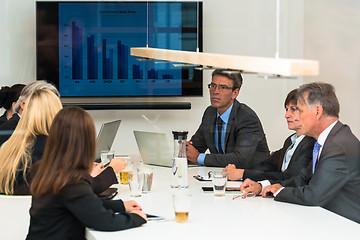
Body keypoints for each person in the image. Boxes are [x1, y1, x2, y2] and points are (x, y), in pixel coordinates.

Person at [240, 82, 360, 223]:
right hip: (327, 219)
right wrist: (263, 187)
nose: (296, 117)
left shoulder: (338, 146)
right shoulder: (329, 140)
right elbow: (301, 180)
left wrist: (278, 191)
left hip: (347, 226)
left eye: (300, 110)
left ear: (317, 111)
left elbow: (312, 195)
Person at [26, 107, 146, 239]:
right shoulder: (71, 181)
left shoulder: (44, 169)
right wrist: (136, 218)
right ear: (86, 142)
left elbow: (86, 204)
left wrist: (121, 206)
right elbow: (103, 221)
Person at [0, 88, 123, 195]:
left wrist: (83, 171)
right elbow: (82, 190)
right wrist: (112, 169)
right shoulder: (51, 146)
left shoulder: (12, 144)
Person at [223, 89, 316, 181]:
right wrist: (238, 171)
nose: (287, 115)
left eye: (293, 109)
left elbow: (289, 177)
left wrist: (243, 174)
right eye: (287, 109)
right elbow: (268, 165)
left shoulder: (312, 143)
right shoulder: (290, 141)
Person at [186, 69, 270, 168]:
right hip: (223, 175)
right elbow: (196, 147)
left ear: (235, 93)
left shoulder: (247, 117)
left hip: (253, 177)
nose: (215, 91)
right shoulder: (210, 113)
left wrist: (199, 158)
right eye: (213, 86)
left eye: (223, 87)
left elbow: (240, 160)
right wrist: (186, 149)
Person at [0, 81, 58, 146]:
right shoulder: (8, 131)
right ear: (23, 104)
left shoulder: (54, 129)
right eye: (43, 103)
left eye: (53, 104)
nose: (50, 109)